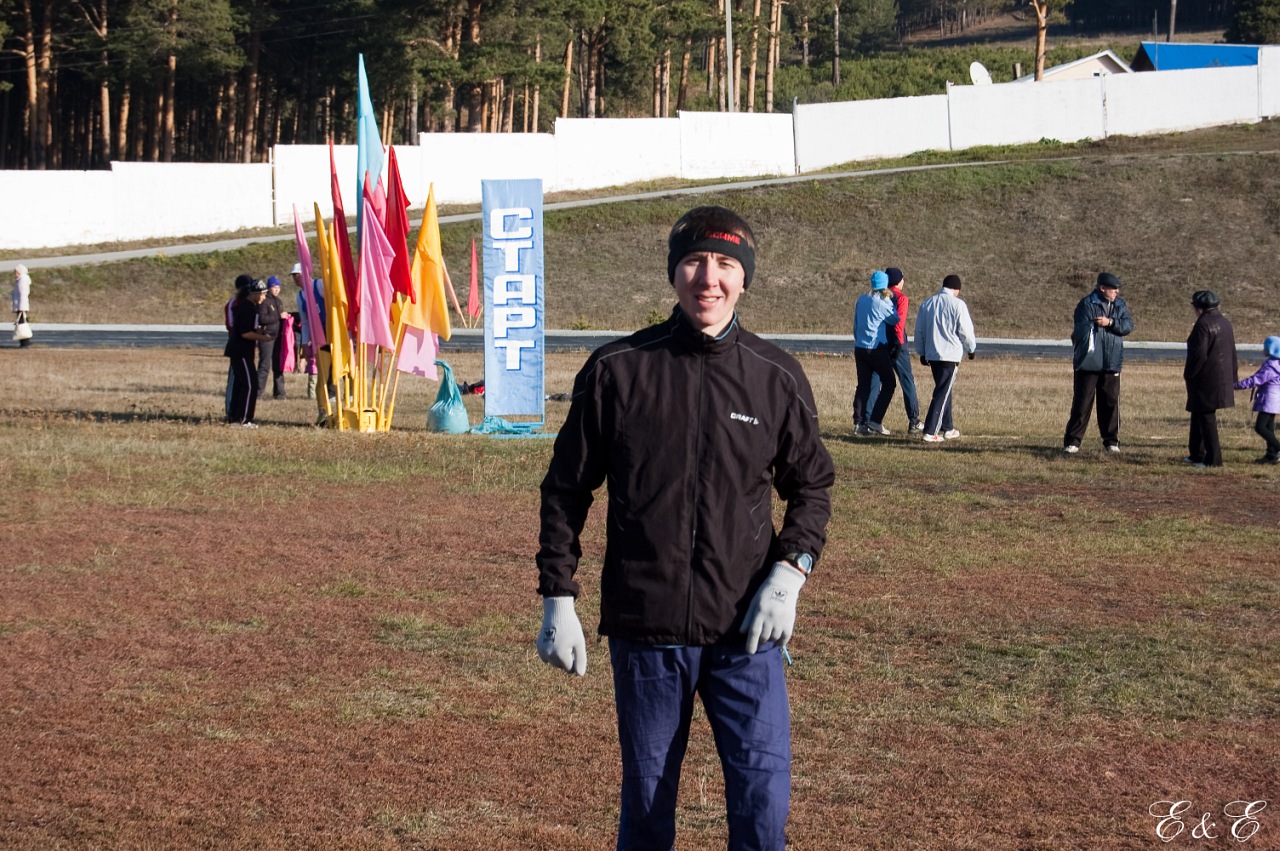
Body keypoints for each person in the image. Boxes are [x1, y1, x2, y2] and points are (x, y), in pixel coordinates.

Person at [535, 205, 835, 851]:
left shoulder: (775, 376)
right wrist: (558, 595)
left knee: (762, 806)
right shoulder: (618, 368)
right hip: (647, 628)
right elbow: (566, 488)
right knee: (647, 809)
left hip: (746, 631)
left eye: (726, 264)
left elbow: (812, 486)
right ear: (674, 271)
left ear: (745, 277)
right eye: (695, 261)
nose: (709, 278)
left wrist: (790, 573)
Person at [1063, 272, 1134, 454]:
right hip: (1089, 361)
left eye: (1117, 289)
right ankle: (1073, 442)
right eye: (1113, 289)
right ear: (1102, 288)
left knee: (1110, 402)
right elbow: (1082, 331)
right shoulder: (1087, 304)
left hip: (1112, 362)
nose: (1117, 292)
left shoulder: (1120, 305)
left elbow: (1127, 326)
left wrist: (1110, 322)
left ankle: (1111, 441)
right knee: (1082, 402)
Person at [914, 274, 977, 443]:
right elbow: (965, 331)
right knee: (941, 393)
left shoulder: (927, 303)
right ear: (956, 288)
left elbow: (919, 331)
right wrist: (971, 349)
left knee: (944, 390)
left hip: (932, 354)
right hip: (950, 355)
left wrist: (921, 352)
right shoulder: (958, 304)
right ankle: (930, 431)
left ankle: (948, 428)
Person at [1184, 289, 1237, 467]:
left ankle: (1213, 460)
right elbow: (1232, 351)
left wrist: (1189, 373)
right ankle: (1196, 453)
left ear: (1199, 308)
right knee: (1198, 413)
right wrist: (1233, 375)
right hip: (1221, 377)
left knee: (1207, 418)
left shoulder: (1203, 324)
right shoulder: (1225, 322)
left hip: (1206, 378)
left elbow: (1199, 354)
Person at [865, 267, 922, 433]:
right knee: (907, 380)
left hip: (880, 342)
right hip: (896, 342)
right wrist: (899, 342)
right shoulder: (901, 297)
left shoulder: (879, 296)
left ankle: (869, 419)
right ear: (898, 280)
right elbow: (899, 322)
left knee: (876, 380)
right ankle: (913, 420)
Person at [852, 270, 900, 435]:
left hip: (860, 347)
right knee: (889, 382)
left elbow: (856, 322)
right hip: (876, 348)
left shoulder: (862, 299)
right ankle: (875, 420)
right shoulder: (882, 302)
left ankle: (859, 423)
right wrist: (889, 300)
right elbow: (894, 319)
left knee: (863, 385)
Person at [226, 279, 273, 427]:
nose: (264, 297)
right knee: (250, 385)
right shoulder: (247, 308)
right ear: (254, 294)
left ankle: (235, 418)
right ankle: (244, 419)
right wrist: (263, 338)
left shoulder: (248, 306)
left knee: (241, 385)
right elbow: (245, 333)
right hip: (241, 352)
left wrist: (259, 332)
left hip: (240, 351)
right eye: (262, 294)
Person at [1234, 336, 1280, 465]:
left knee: (1260, 427)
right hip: (1274, 401)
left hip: (1268, 400)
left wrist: (1235, 386)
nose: (1263, 349)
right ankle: (1271, 455)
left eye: (1265, 347)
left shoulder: (1271, 367)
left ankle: (1277, 448)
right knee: (1269, 428)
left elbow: (1255, 380)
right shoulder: (1277, 364)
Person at [291, 263, 320, 400]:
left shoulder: (318, 286)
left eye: (297, 274)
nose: (295, 278)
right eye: (293, 275)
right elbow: (305, 322)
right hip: (316, 336)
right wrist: (304, 342)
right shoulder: (300, 296)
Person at [258, 275, 287, 399]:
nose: (276, 289)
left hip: (278, 337)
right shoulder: (264, 301)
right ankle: (258, 393)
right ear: (269, 288)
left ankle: (279, 393)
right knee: (264, 366)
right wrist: (279, 316)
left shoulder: (279, 301)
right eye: (274, 287)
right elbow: (262, 318)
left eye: (278, 287)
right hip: (267, 336)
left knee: (278, 366)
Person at [12, 264, 32, 348]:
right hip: (20, 305)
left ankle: (25, 342)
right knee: (21, 322)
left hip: (21, 306)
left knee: (22, 323)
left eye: (15, 272)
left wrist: (22, 308)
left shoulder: (22, 280)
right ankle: (23, 342)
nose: (14, 273)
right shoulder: (20, 280)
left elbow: (23, 294)